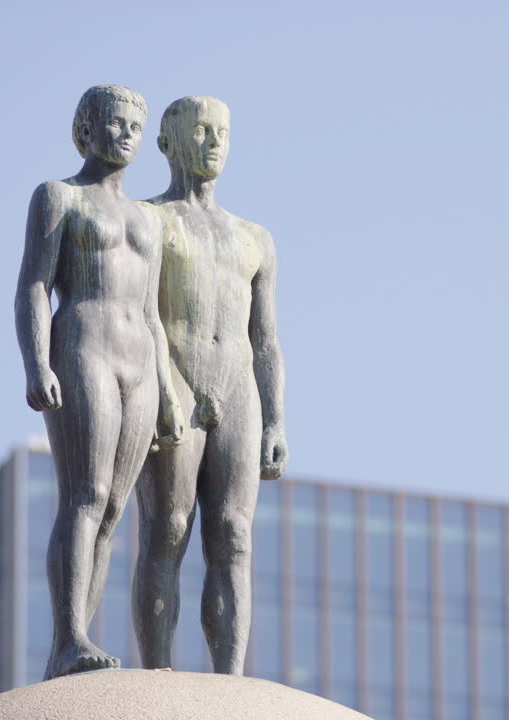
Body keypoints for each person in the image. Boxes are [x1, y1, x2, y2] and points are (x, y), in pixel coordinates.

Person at [14, 85, 184, 680]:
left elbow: (154, 314)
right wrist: (37, 363)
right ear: (85, 130)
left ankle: (76, 639)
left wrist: (167, 391)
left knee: (113, 508)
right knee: (84, 494)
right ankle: (68, 637)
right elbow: (34, 285)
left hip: (140, 358)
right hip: (82, 342)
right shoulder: (58, 196)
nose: (127, 135)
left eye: (136, 126)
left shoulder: (148, 219)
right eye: (115, 123)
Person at [133, 96, 287, 675]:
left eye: (222, 131)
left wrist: (276, 419)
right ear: (169, 141)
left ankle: (230, 680)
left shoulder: (255, 238)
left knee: (233, 535)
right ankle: (159, 674)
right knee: (168, 530)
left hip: (239, 393)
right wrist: (160, 394)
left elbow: (267, 338)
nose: (215, 141)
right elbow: (140, 316)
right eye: (201, 130)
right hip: (175, 379)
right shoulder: (150, 220)